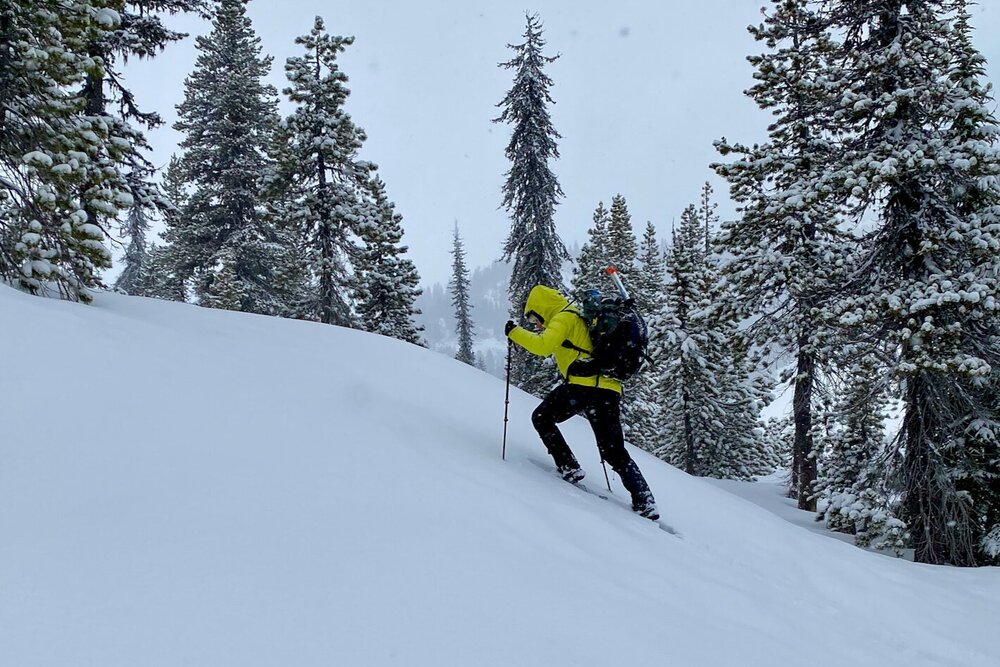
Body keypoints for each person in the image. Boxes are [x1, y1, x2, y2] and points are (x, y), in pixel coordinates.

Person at [505, 284, 659, 520]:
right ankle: (644, 498)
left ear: (542, 308)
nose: (536, 325)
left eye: (535, 318)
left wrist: (513, 332)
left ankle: (569, 466)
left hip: (582, 385)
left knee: (542, 417)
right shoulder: (582, 316)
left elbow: (542, 346)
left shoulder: (563, 317)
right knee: (613, 450)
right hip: (609, 389)